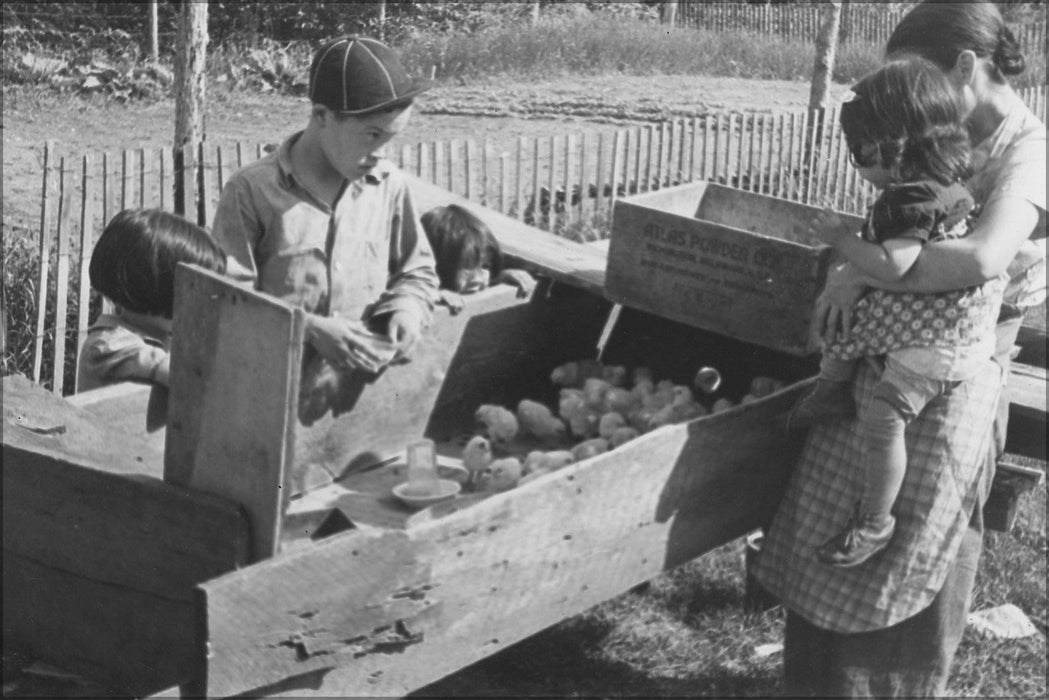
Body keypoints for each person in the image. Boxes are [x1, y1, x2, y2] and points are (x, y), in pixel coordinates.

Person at [753, 2, 1045, 696]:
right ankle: (818, 684)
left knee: (922, 528)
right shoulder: (942, 127)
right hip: (887, 347)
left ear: (964, 67)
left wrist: (860, 266)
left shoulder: (1026, 155)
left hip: (953, 367)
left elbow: (979, 259)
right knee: (839, 506)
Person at [787, 59, 1004, 568]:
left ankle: (874, 523)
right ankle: (832, 390)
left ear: (896, 147)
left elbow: (893, 266)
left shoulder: (907, 200)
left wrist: (841, 240)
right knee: (847, 315)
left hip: (938, 342)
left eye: (860, 153)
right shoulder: (939, 181)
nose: (856, 165)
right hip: (942, 320)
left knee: (883, 420)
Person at [211, 36, 440, 379]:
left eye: (390, 139)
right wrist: (309, 328)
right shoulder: (252, 191)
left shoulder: (388, 185)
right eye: (372, 136)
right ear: (321, 115)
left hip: (356, 394)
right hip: (272, 388)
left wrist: (407, 308)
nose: (381, 153)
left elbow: (417, 272)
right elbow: (226, 300)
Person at [77, 208, 227, 391]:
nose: (202, 306)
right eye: (194, 292)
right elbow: (185, 377)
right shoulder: (108, 346)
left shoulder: (160, 335)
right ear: (156, 290)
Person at [420, 203, 536, 313]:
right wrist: (433, 295)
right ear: (439, 266)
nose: (478, 278)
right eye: (467, 266)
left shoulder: (473, 284)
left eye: (485, 266)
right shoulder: (415, 288)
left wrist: (500, 279)